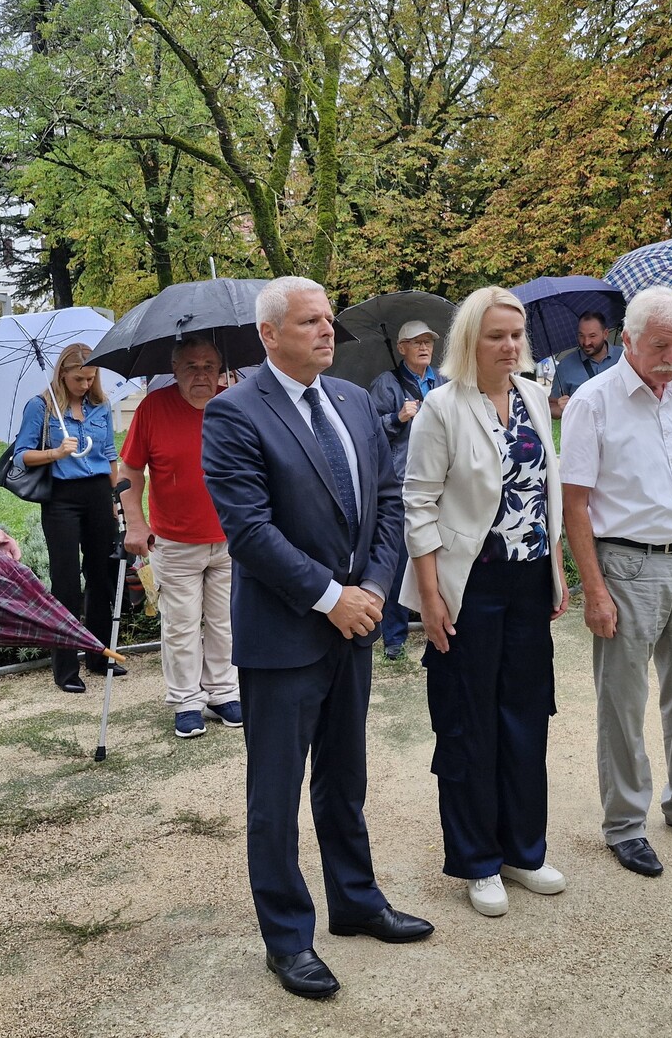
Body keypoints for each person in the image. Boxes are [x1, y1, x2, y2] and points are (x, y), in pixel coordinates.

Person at [201, 276, 432, 1001]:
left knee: (345, 778)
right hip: (285, 636)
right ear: (269, 334)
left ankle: (356, 902)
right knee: (276, 794)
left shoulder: (354, 401)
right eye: (309, 322)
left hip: (353, 625)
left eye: (329, 320)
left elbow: (388, 500)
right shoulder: (234, 413)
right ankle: (288, 940)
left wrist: (371, 590)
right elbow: (249, 531)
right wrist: (332, 598)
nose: (327, 332)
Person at [401, 287, 569, 918]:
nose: (510, 346)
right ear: (470, 341)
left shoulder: (530, 396)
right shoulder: (441, 408)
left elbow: (542, 489)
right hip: (467, 586)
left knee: (526, 716)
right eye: (497, 336)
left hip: (527, 583)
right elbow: (417, 505)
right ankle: (476, 860)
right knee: (469, 724)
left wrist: (555, 566)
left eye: (516, 335)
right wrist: (430, 594)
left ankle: (524, 849)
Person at [561, 286, 672, 879]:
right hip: (627, 566)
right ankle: (626, 824)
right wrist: (594, 590)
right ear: (627, 340)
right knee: (623, 701)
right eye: (660, 345)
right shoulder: (594, 401)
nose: (671, 357)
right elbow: (575, 505)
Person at [121, 336, 240, 739]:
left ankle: (224, 691)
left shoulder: (235, 404)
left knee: (226, 622)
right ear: (174, 370)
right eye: (191, 366)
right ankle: (187, 699)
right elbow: (130, 471)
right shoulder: (153, 408)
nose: (201, 373)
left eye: (210, 365)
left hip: (231, 537)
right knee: (181, 624)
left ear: (220, 368)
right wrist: (135, 523)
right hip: (174, 540)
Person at [13, 343, 121, 694]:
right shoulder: (40, 407)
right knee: (66, 582)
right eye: (79, 378)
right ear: (62, 373)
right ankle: (65, 667)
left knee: (101, 575)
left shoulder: (100, 406)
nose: (85, 384)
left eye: (91, 378)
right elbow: (21, 456)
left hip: (98, 494)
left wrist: (116, 498)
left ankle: (99, 654)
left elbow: (109, 454)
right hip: (61, 498)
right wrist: (56, 452)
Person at [367, 319, 442, 660]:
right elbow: (368, 435)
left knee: (438, 557)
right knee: (398, 560)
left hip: (440, 481)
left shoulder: (442, 381)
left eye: (428, 341)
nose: (424, 347)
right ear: (401, 348)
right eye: (416, 342)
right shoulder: (385, 384)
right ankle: (394, 636)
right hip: (400, 482)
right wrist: (397, 418)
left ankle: (437, 628)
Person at [549, 311, 621, 417]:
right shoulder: (566, 366)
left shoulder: (624, 358)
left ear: (605, 334)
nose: (586, 342)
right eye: (581, 335)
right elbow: (551, 406)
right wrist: (562, 408)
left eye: (592, 336)